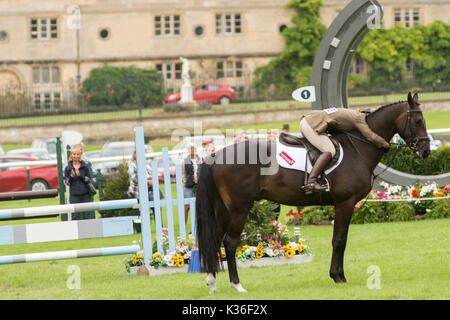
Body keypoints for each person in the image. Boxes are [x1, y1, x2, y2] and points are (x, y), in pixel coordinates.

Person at [299, 107, 390, 193]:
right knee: (329, 150)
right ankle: (311, 182)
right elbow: (369, 135)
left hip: (309, 119)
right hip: (310, 125)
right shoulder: (359, 118)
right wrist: (384, 144)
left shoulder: (353, 113)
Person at [127, 151, 163, 224]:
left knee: (157, 207)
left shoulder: (146, 163)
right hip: (137, 191)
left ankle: (160, 226)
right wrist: (146, 182)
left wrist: (152, 181)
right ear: (134, 155)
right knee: (139, 210)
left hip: (150, 189)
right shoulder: (132, 165)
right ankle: (139, 228)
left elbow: (152, 173)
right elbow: (134, 178)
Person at [64, 148, 94, 220]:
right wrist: (71, 177)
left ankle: (88, 230)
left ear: (80, 156)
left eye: (77, 154)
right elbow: (67, 182)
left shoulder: (85, 166)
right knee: (75, 215)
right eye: (74, 154)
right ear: (71, 156)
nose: (76, 156)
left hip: (85, 193)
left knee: (87, 215)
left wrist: (80, 176)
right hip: (74, 194)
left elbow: (88, 178)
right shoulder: (68, 168)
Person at [182, 143, 200, 223]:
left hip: (199, 186)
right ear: (188, 150)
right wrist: (185, 181)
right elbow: (183, 174)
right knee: (186, 206)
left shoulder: (199, 159)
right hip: (189, 186)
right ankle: (183, 224)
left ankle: (198, 223)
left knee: (199, 206)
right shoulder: (184, 161)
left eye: (193, 148)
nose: (192, 150)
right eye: (190, 148)